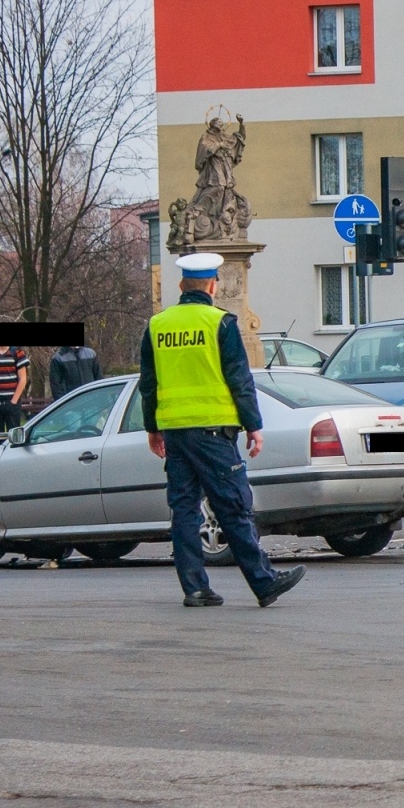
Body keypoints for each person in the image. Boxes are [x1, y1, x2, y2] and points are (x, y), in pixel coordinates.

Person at [140, 253, 305, 609]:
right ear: (213, 286)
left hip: (175, 433)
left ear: (182, 286)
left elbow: (148, 384)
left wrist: (152, 428)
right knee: (233, 507)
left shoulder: (157, 325)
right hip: (213, 433)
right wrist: (254, 426)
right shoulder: (221, 323)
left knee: (185, 510)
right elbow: (239, 379)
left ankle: (195, 588)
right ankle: (263, 582)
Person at [0, 343, 30, 434]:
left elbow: (23, 379)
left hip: (12, 401)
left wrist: (14, 401)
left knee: (14, 435)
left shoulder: (17, 353)